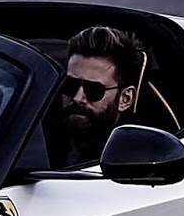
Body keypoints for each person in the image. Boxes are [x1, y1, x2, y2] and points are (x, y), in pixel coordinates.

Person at [49, 24, 149, 167]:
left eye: (94, 90)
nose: (78, 98)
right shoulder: (35, 130)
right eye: (70, 85)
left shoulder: (133, 158)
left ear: (125, 99)